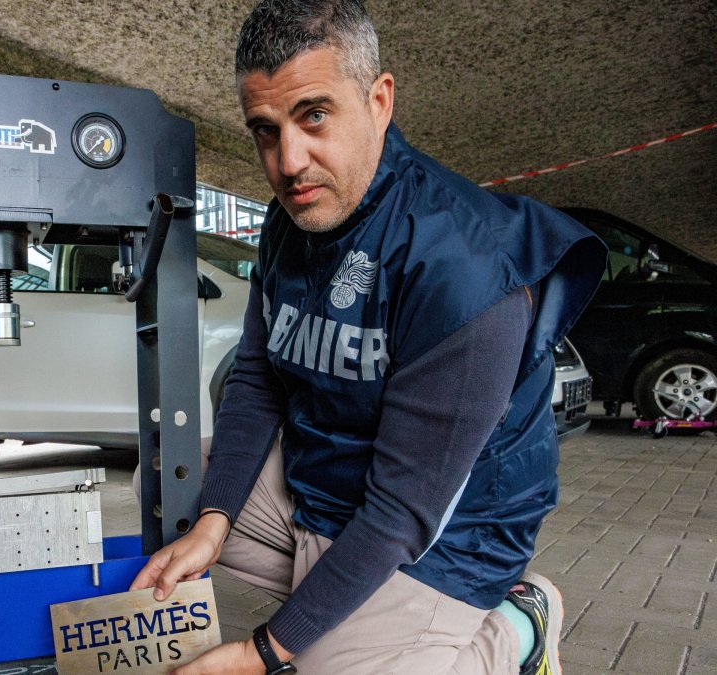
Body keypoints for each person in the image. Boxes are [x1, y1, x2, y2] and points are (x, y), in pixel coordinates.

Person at [129, 2, 606, 674]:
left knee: (322, 660)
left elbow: (402, 512)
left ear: (378, 101)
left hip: (451, 530)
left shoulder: (465, 269)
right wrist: (211, 521)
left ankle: (517, 624)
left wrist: (262, 650)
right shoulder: (287, 220)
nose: (288, 161)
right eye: (265, 130)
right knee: (168, 474)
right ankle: (359, 618)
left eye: (314, 115)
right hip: (325, 479)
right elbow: (259, 377)